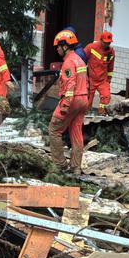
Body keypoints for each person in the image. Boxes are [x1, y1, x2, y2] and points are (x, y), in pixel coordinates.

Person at [49, 29, 90, 173]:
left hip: (72, 100)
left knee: (54, 129)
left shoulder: (68, 62)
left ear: (65, 46)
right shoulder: (80, 60)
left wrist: (65, 104)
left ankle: (60, 166)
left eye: (58, 46)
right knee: (76, 132)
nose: (57, 49)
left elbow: (70, 84)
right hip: (83, 99)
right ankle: (76, 167)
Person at [85, 30, 116, 115]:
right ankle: (84, 115)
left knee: (106, 96)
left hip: (103, 80)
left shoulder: (111, 52)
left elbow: (110, 68)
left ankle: (101, 112)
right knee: (87, 100)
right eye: (105, 42)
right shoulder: (91, 47)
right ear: (101, 40)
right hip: (91, 79)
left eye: (109, 43)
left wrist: (108, 81)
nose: (107, 45)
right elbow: (82, 60)